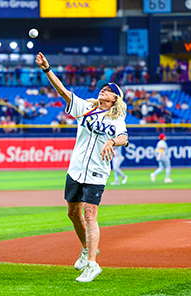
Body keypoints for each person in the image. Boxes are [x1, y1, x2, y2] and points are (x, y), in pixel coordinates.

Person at [35, 52, 128, 282]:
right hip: (75, 170)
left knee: (90, 214)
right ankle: (87, 249)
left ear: (115, 98)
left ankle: (93, 265)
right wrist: (47, 69)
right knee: (72, 213)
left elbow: (124, 138)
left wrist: (112, 140)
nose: (102, 91)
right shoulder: (86, 108)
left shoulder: (116, 120)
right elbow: (63, 92)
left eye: (107, 90)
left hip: (97, 172)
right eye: (102, 88)